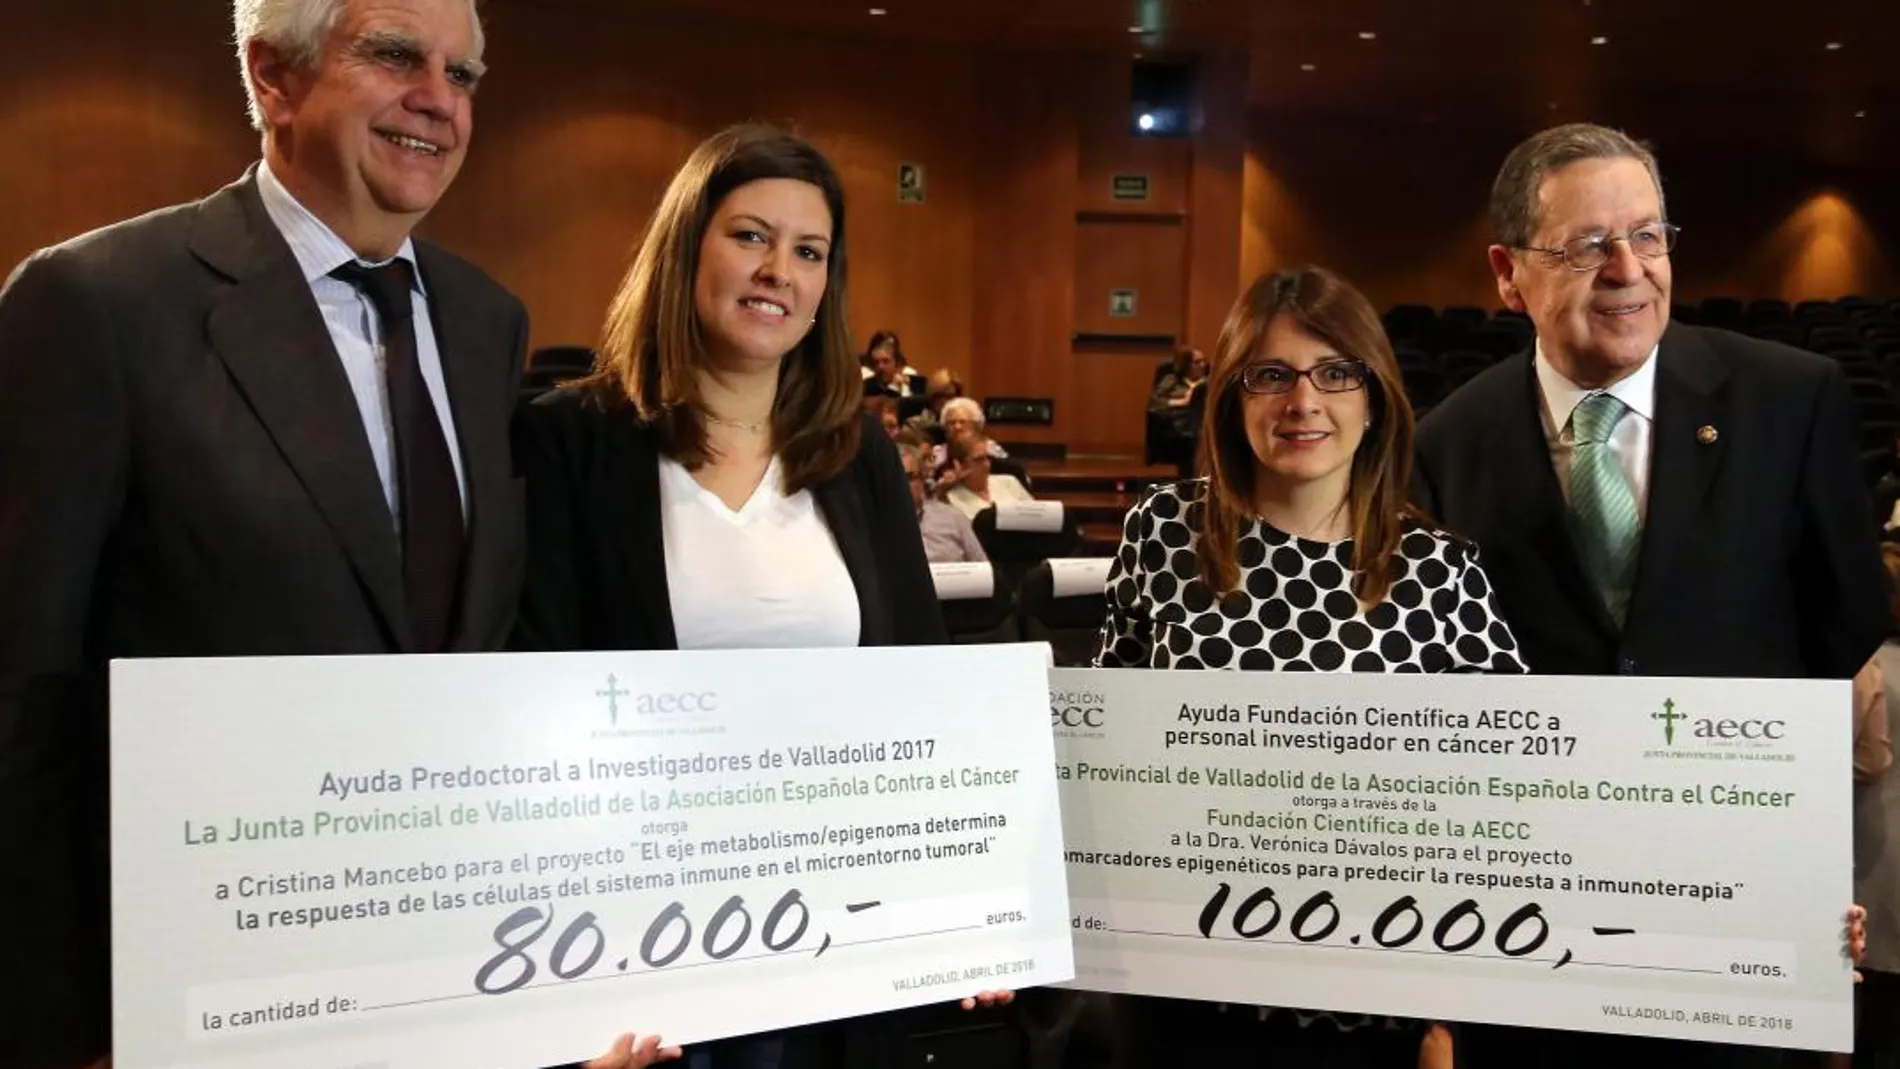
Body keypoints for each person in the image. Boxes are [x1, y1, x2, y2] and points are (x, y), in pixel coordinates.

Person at [0, 2, 531, 1066]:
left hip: (446, 974)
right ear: (273, 78)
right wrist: (62, 1023)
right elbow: (20, 695)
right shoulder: (97, 304)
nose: (439, 98)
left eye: (464, 74)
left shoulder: (487, 322)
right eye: (393, 56)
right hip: (187, 996)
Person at [511, 123, 1012, 1069]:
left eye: (809, 250)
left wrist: (966, 901)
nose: (779, 269)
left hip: (837, 935)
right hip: (640, 939)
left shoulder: (855, 449)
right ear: (687, 247)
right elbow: (533, 694)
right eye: (750, 235)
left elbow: (918, 682)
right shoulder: (571, 440)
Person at [1413, 121, 1887, 1068]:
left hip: (1737, 910)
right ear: (1509, 274)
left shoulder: (1793, 399)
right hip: (1536, 934)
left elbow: (1848, 623)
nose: (1628, 267)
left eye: (1650, 234)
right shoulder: (1446, 444)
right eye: (1586, 244)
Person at [1094, 265, 1527, 1069]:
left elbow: (1502, 805)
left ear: (1374, 398)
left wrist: (1454, 1010)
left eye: (1335, 372)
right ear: (1232, 396)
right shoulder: (1163, 531)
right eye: (1271, 375)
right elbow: (1101, 750)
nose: (1304, 402)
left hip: (1370, 1015)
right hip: (1181, 996)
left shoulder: (1440, 569)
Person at [899, 441, 987, 564]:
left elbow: (983, 568)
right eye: (895, 478)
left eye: (909, 477)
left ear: (922, 477)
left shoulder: (952, 517)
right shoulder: (871, 526)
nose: (901, 485)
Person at [942, 434, 1034, 520]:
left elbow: (1035, 517)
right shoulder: (950, 498)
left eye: (987, 458)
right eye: (978, 460)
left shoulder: (1009, 482)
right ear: (958, 464)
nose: (986, 464)